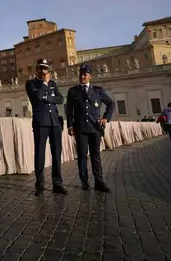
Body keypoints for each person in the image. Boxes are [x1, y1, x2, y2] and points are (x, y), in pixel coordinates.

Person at [66, 63, 113, 192]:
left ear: (90, 76)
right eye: (81, 74)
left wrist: (105, 118)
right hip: (80, 128)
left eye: (85, 74)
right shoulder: (73, 91)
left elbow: (111, 104)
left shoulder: (98, 90)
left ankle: (99, 181)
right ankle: (84, 182)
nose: (82, 76)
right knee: (82, 156)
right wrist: (70, 125)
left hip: (95, 128)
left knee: (95, 155)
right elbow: (69, 111)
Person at [25, 58, 68, 197]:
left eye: (45, 69)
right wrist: (45, 85)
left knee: (56, 154)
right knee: (40, 154)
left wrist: (46, 97)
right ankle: (40, 185)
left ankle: (57, 184)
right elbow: (36, 97)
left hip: (55, 122)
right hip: (41, 123)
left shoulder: (53, 84)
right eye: (40, 69)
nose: (43, 71)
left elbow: (60, 100)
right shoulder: (31, 83)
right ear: (36, 70)